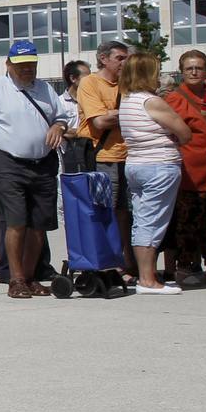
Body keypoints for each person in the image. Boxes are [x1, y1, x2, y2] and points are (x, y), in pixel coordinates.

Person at [0, 41, 76, 300]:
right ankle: (15, 279)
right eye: (21, 65)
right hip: (8, 163)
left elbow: (60, 117)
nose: (27, 69)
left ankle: (29, 277)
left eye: (31, 64)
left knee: (39, 226)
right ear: (9, 64)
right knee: (16, 222)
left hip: (43, 163)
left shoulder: (45, 89)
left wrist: (58, 127)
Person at [114, 52, 191, 294]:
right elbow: (185, 133)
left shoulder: (126, 100)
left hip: (136, 164)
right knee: (153, 222)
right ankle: (148, 279)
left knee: (142, 219)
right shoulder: (152, 101)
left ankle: (145, 275)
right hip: (160, 165)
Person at [78, 41, 133, 279]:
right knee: (105, 213)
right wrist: (129, 114)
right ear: (103, 59)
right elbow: (99, 122)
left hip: (130, 157)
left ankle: (128, 264)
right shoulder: (90, 82)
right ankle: (107, 263)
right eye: (120, 58)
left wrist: (115, 114)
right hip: (103, 158)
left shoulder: (128, 83)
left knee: (127, 214)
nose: (125, 63)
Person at [166, 49, 206, 286]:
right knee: (188, 220)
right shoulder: (174, 99)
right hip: (189, 170)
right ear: (182, 72)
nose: (195, 72)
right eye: (190, 68)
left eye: (199, 67)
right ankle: (187, 266)